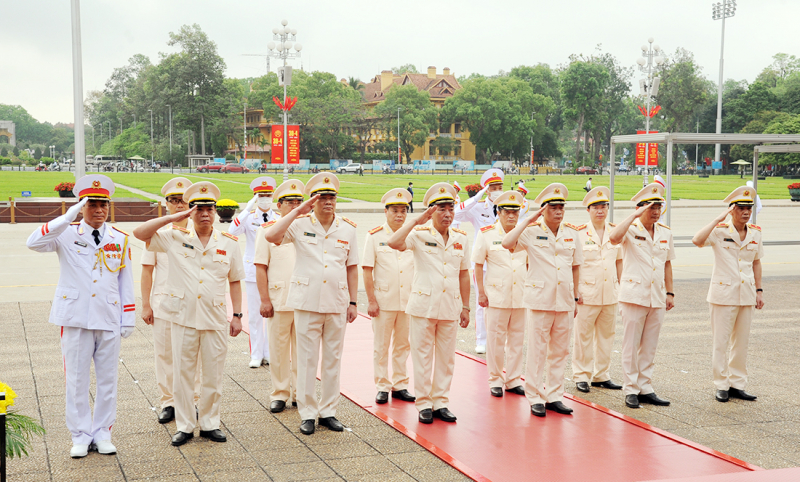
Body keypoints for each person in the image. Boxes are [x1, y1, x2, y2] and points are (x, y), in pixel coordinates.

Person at [26, 174, 135, 458]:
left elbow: (125, 280)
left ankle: (102, 432)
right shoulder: (66, 233)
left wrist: (128, 316)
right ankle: (80, 435)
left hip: (109, 316)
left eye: (103, 205)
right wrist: (67, 216)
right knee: (75, 379)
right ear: (82, 206)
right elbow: (33, 243)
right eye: (92, 204)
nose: (99, 210)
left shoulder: (119, 239)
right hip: (75, 317)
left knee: (108, 379)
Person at [133, 181, 245, 447]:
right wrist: (174, 216)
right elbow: (140, 233)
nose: (205, 213)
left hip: (215, 317)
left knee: (213, 374)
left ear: (216, 211)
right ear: (190, 212)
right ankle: (184, 425)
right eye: (198, 208)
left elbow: (235, 281)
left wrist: (237, 315)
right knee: (182, 374)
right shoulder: (173, 238)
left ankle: (209, 423)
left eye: (209, 208)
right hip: (182, 316)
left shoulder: (228, 243)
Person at [264, 173, 359, 435]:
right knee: (306, 360)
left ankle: (328, 411)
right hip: (306, 302)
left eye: (331, 197)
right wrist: (297, 212)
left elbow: (352, 267)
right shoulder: (299, 223)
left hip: (337, 302)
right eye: (322, 197)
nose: (328, 201)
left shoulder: (348, 228)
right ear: (313, 201)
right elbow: (271, 236)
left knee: (332, 360)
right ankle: (307, 413)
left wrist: (353, 301)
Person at [388, 183, 471, 424]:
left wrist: (465, 306)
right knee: (422, 356)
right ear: (431, 211)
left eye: (451, 209)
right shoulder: (419, 235)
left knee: (446, 358)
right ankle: (424, 403)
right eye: (441, 209)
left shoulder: (461, 239)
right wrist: (415, 222)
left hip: (450, 306)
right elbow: (394, 243)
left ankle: (441, 402)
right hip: (423, 306)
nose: (447, 214)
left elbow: (464, 273)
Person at [502, 183, 583, 417]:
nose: (558, 211)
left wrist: (576, 296)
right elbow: (507, 244)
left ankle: (555, 395)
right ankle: (535, 396)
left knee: (560, 351)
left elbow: (576, 266)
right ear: (543, 209)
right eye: (553, 207)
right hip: (540, 299)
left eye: (561, 207)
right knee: (538, 350)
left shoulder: (571, 233)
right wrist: (526, 220)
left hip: (565, 299)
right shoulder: (531, 230)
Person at [691, 186, 764, 403]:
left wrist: (759, 290)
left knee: (741, 342)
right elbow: (697, 240)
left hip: (747, 294)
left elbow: (757, 262)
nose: (745, 212)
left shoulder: (755, 232)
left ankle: (737, 384)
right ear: (732, 209)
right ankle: (721, 384)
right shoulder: (720, 230)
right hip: (723, 294)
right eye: (741, 208)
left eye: (748, 208)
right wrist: (717, 219)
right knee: (721, 342)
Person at [609, 183, 675, 409]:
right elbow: (613, 238)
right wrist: (633, 215)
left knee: (649, 345)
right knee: (631, 344)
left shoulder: (665, 232)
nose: (656, 211)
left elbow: (667, 264)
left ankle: (645, 387)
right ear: (640, 208)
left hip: (656, 296)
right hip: (633, 295)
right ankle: (631, 389)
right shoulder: (630, 228)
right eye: (651, 207)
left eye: (659, 206)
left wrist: (670, 291)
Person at [140, 178, 201, 424]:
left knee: (191, 356)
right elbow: (147, 271)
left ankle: (193, 400)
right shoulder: (159, 235)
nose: (178, 205)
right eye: (173, 200)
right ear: (165, 204)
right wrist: (146, 304)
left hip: (192, 305)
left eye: (182, 200)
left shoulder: (202, 234)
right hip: (164, 304)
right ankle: (169, 402)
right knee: (164, 355)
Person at [254, 180, 305, 413]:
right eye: (290, 203)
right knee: (278, 349)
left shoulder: (310, 229)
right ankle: (280, 393)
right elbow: (260, 267)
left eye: (299, 202)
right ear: (280, 205)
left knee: (304, 350)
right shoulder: (267, 231)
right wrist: (264, 299)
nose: (295, 206)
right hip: (278, 299)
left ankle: (300, 393)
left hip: (305, 300)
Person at [362, 188, 416, 405]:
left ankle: (400, 384)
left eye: (403, 211)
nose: (400, 215)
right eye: (395, 210)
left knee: (403, 344)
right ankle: (382, 386)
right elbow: (367, 269)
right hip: (383, 301)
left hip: (408, 300)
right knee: (381, 345)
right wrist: (371, 300)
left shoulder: (413, 235)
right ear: (386, 211)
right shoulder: (374, 236)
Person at [472, 191, 527, 398]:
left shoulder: (525, 233)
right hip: (496, 295)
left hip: (520, 295)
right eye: (507, 211)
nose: (512, 216)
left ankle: (513, 379)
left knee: (517, 340)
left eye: (515, 211)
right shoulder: (486, 233)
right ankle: (495, 379)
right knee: (495, 341)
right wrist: (481, 293)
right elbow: (477, 264)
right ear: (499, 212)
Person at [572, 187, 623, 393]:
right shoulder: (578, 233)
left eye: (603, 207)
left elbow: (619, 261)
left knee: (607, 336)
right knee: (583, 337)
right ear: (588, 210)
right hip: (587, 294)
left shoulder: (615, 231)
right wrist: (575, 292)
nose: (600, 211)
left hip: (609, 293)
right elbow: (572, 264)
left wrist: (622, 286)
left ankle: (601, 375)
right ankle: (582, 375)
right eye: (596, 207)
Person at [454, 169, 505, 354]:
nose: (497, 190)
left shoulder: (508, 207)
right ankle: (482, 340)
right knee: (482, 302)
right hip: (481, 263)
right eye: (493, 187)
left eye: (500, 187)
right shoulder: (477, 208)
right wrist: (477, 197)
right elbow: (456, 214)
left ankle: (498, 339)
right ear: (487, 189)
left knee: (502, 302)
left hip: (502, 261)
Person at [230, 177, 278, 368]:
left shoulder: (278, 219)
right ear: (255, 197)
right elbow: (231, 231)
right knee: (256, 315)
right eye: (261, 196)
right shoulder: (249, 218)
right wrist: (247, 207)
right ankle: (256, 354)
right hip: (252, 270)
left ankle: (269, 353)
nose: (265, 199)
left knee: (274, 315)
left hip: (274, 271)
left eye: (268, 195)